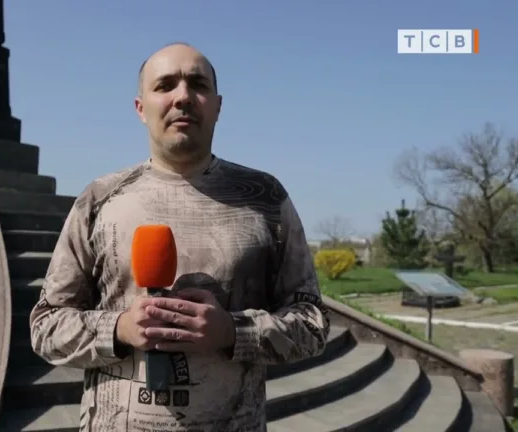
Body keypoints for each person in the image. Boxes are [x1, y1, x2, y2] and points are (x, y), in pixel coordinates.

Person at [29, 42, 330, 432]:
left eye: (198, 84)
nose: (183, 96)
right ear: (141, 108)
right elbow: (46, 327)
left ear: (217, 106)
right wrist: (119, 329)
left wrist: (233, 331)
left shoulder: (265, 199)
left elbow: (313, 324)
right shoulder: (99, 199)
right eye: (165, 85)